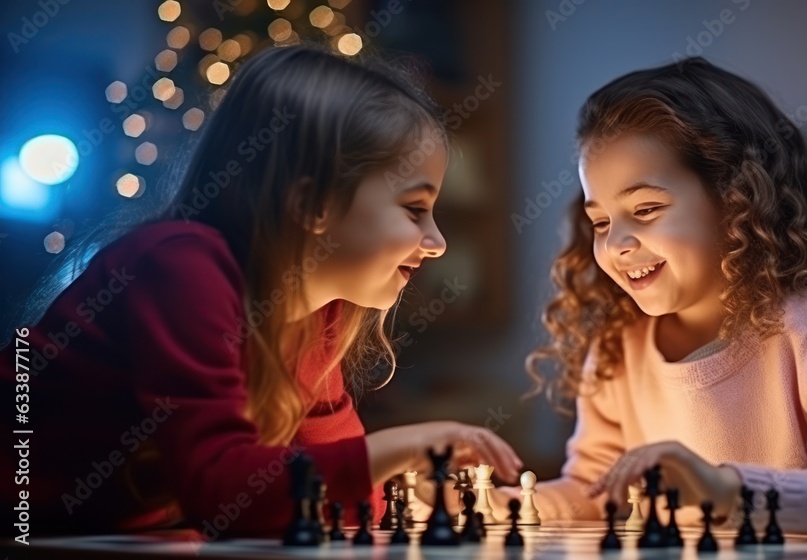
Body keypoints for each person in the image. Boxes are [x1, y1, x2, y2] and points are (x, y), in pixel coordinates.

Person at [0, 44, 521, 537]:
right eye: (414, 209)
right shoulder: (180, 265)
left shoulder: (320, 312)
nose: (437, 243)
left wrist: (421, 495)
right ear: (311, 204)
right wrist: (408, 444)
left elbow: (327, 487)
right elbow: (225, 494)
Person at [524, 57, 807, 535]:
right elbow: (595, 491)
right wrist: (496, 502)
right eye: (600, 222)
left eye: (647, 208)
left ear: (736, 197)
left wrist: (727, 491)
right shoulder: (616, 350)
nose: (615, 244)